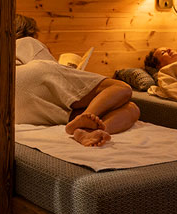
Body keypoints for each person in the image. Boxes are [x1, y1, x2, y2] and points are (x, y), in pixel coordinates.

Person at [15, 15, 139, 147]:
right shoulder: (27, 41)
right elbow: (46, 69)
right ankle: (87, 115)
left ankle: (89, 132)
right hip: (29, 79)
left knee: (132, 109)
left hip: (18, 110)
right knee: (122, 88)